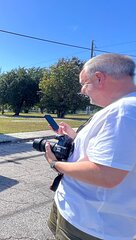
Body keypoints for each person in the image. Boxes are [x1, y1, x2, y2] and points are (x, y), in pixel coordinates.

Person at [44, 53, 136, 240]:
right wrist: (74, 136)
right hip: (82, 213)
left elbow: (105, 174)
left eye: (84, 83)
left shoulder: (124, 112)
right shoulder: (122, 109)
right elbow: (107, 152)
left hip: (88, 224)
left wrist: (54, 164)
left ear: (100, 78)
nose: (82, 91)